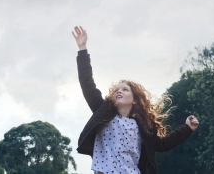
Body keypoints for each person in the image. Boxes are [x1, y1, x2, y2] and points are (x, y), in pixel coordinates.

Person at [72, 26, 199, 174]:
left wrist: (187, 128)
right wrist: (82, 48)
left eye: (125, 89)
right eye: (116, 90)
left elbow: (164, 144)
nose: (119, 91)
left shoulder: (142, 127)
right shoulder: (103, 112)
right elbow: (87, 83)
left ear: (135, 100)